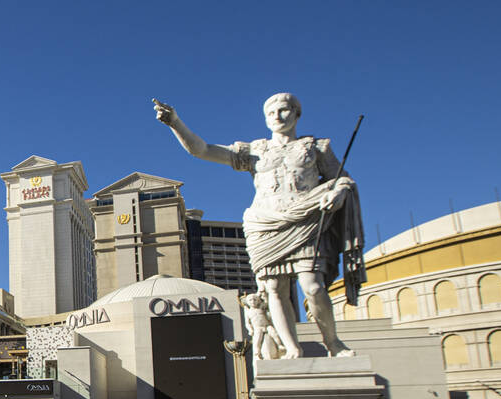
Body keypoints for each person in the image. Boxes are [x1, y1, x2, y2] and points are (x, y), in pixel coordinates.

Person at [154, 93, 363, 358]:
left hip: (305, 218)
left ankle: (332, 342)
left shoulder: (316, 147)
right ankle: (292, 348)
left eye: (284, 110)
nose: (277, 117)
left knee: (313, 286)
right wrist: (175, 123)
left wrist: (338, 192)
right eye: (271, 113)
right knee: (274, 289)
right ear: (265, 119)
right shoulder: (254, 151)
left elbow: (341, 179)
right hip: (265, 222)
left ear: (297, 114)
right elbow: (202, 150)